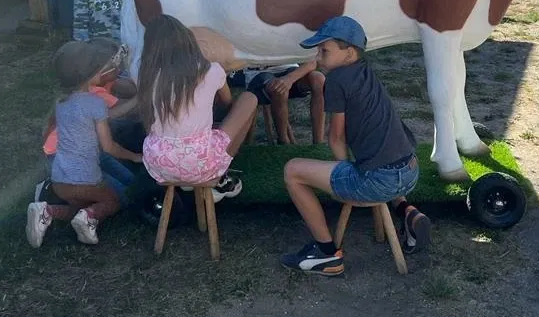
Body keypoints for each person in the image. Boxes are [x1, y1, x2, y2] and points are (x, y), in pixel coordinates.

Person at [280, 16, 432, 276]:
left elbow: (336, 137)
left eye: (324, 50)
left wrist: (343, 177)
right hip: (410, 170)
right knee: (381, 157)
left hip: (379, 180)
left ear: (348, 52)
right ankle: (406, 210)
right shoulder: (365, 71)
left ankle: (326, 253)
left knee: (292, 170)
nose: (318, 56)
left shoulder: (337, 81)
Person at [25, 40, 143, 248]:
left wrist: (137, 99)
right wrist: (135, 156)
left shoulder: (62, 101)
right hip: (85, 171)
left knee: (85, 199)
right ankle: (89, 216)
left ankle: (48, 210)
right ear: (91, 72)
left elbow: (108, 116)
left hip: (61, 173)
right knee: (122, 198)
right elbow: (109, 146)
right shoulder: (95, 100)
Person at [137, 15, 258, 202]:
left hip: (158, 163)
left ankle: (191, 178)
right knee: (248, 99)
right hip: (199, 162)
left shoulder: (146, 74)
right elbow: (226, 103)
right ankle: (219, 176)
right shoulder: (210, 69)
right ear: (186, 40)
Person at [245, 62, 326, 144]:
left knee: (318, 79)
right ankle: (283, 141)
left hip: (289, 67)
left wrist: (289, 79)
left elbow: (313, 61)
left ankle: (318, 143)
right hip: (258, 71)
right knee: (279, 89)